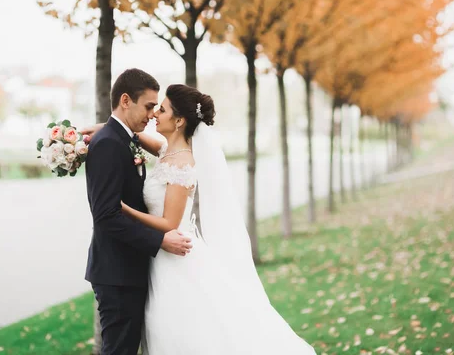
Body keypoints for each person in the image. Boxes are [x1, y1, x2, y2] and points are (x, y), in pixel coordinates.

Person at [84, 83, 316, 355]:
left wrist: (124, 209)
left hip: (175, 255)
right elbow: (135, 139)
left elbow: (169, 223)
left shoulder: (182, 161)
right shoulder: (166, 151)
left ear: (179, 120)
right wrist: (108, 127)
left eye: (163, 108)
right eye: (154, 107)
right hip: (157, 259)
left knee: (181, 332)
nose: (156, 113)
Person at [84, 69, 192, 355]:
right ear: (125, 100)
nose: (152, 114)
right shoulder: (108, 143)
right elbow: (106, 216)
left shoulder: (124, 139)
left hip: (131, 269)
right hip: (117, 272)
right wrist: (159, 241)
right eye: (148, 106)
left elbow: (163, 150)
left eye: (158, 108)